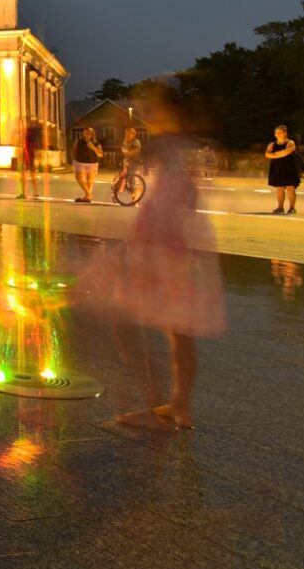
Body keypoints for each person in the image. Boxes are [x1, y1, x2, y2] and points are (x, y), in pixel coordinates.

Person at [84, 102, 225, 431]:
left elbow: (160, 216)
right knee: (179, 334)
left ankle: (153, 406)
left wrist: (127, 253)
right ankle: (180, 406)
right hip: (180, 263)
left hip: (160, 263)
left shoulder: (168, 152)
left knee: (127, 325)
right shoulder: (182, 156)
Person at [265, 124, 300, 214]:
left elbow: (286, 152)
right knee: (279, 188)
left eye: (279, 132)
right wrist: (278, 154)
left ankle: (292, 208)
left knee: (290, 187)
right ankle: (280, 207)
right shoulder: (272, 144)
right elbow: (267, 154)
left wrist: (275, 155)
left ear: (285, 133)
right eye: (276, 132)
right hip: (277, 167)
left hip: (289, 167)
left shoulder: (290, 143)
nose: (277, 134)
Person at [71, 126, 103, 203]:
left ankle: (87, 197)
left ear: (93, 134)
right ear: (84, 133)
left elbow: (101, 154)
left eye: (90, 132)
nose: (88, 134)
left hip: (92, 163)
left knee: (90, 180)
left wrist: (93, 148)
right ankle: (89, 194)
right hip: (80, 162)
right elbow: (73, 151)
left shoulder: (96, 143)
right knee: (79, 179)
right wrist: (73, 160)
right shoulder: (79, 141)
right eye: (86, 132)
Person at [15, 119, 43, 199]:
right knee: (32, 174)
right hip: (30, 155)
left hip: (26, 155)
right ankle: (35, 193)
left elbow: (22, 145)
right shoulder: (32, 134)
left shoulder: (26, 134)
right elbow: (36, 145)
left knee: (24, 174)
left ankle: (24, 193)